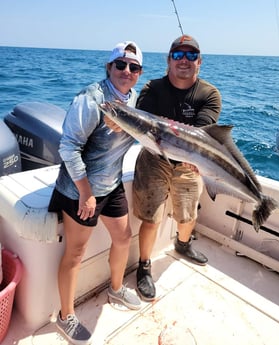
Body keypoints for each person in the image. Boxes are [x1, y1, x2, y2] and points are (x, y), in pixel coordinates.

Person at [48, 41, 143, 345]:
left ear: (139, 74)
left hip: (112, 184)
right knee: (75, 254)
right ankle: (65, 316)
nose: (126, 71)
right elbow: (68, 147)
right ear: (108, 67)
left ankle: (115, 289)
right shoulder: (91, 99)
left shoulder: (135, 101)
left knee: (124, 238)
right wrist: (85, 192)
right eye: (120, 64)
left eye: (134, 67)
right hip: (79, 189)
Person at [133, 34, 222, 301]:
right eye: (178, 55)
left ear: (200, 62)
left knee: (188, 214)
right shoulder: (151, 88)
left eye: (191, 55)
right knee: (152, 218)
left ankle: (183, 245)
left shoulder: (209, 94)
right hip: (153, 158)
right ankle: (144, 265)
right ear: (168, 60)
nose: (185, 60)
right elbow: (143, 125)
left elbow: (200, 133)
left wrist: (192, 157)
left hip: (190, 163)